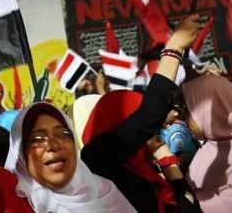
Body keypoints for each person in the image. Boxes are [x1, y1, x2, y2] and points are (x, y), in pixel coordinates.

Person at [0, 11, 134, 212]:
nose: (52, 145)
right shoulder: (9, 200)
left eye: (62, 134)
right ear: (20, 155)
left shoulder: (105, 195)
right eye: (37, 139)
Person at [81, 15, 202, 213]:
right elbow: (150, 115)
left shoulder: (147, 174)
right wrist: (173, 49)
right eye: (134, 119)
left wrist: (166, 162)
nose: (153, 132)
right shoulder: (97, 162)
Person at [181, 73, 232, 213]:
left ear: (206, 108)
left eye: (187, 109)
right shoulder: (212, 144)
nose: (184, 117)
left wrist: (184, 191)